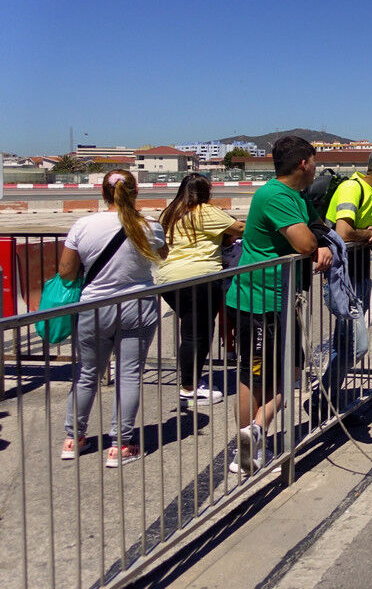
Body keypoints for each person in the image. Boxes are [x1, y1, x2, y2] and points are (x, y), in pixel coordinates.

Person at [225, 136, 331, 474]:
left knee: (285, 374)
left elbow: (318, 229)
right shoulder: (275, 195)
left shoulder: (296, 196)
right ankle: (250, 440)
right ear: (303, 163)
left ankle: (254, 433)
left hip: (281, 300)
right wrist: (315, 244)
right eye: (314, 161)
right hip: (261, 300)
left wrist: (321, 241)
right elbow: (304, 242)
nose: (316, 167)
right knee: (255, 377)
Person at [58, 170, 168, 467]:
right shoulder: (149, 226)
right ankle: (120, 445)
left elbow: (66, 271)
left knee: (87, 373)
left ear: (103, 193)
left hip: (94, 307)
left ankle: (73, 438)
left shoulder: (83, 225)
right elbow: (163, 255)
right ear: (135, 192)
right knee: (129, 374)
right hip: (138, 306)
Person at [316, 148, 372, 417]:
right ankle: (325, 395)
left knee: (345, 342)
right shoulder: (353, 189)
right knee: (355, 345)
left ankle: (330, 399)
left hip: (361, 275)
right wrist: (369, 235)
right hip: (341, 279)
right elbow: (344, 232)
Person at [157, 173, 245, 410]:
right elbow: (239, 229)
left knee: (190, 331)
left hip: (169, 278)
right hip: (199, 277)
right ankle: (189, 387)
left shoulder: (170, 212)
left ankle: (191, 379)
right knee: (198, 334)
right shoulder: (206, 211)